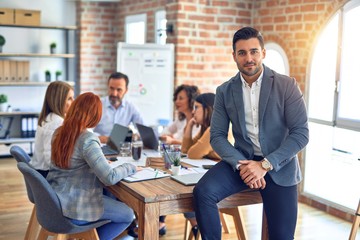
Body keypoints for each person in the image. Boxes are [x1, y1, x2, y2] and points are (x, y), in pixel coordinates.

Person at [193, 26, 309, 240]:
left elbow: (301, 133)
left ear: (263, 53)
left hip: (280, 167)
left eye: (254, 51)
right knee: (203, 192)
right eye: (242, 53)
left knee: (282, 237)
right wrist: (242, 165)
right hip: (242, 163)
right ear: (234, 56)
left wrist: (264, 165)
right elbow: (217, 136)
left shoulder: (287, 85)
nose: (249, 58)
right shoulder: (224, 91)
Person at [47, 92, 141, 240]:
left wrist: (100, 161)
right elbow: (109, 177)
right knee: (128, 214)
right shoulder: (88, 139)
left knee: (110, 196)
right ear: (94, 115)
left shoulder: (59, 132)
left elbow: (75, 161)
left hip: (55, 200)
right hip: (75, 207)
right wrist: (131, 167)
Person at [30, 81, 74, 178]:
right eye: (69, 99)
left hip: (42, 172)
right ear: (59, 101)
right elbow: (50, 159)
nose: (73, 102)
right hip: (47, 175)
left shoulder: (49, 118)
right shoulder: (56, 123)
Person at [93, 72, 144, 143]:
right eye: (111, 88)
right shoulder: (97, 105)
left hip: (121, 150)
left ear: (126, 90)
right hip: (99, 147)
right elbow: (86, 131)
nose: (114, 93)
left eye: (119, 90)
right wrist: (100, 138)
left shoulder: (131, 107)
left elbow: (143, 131)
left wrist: (135, 136)